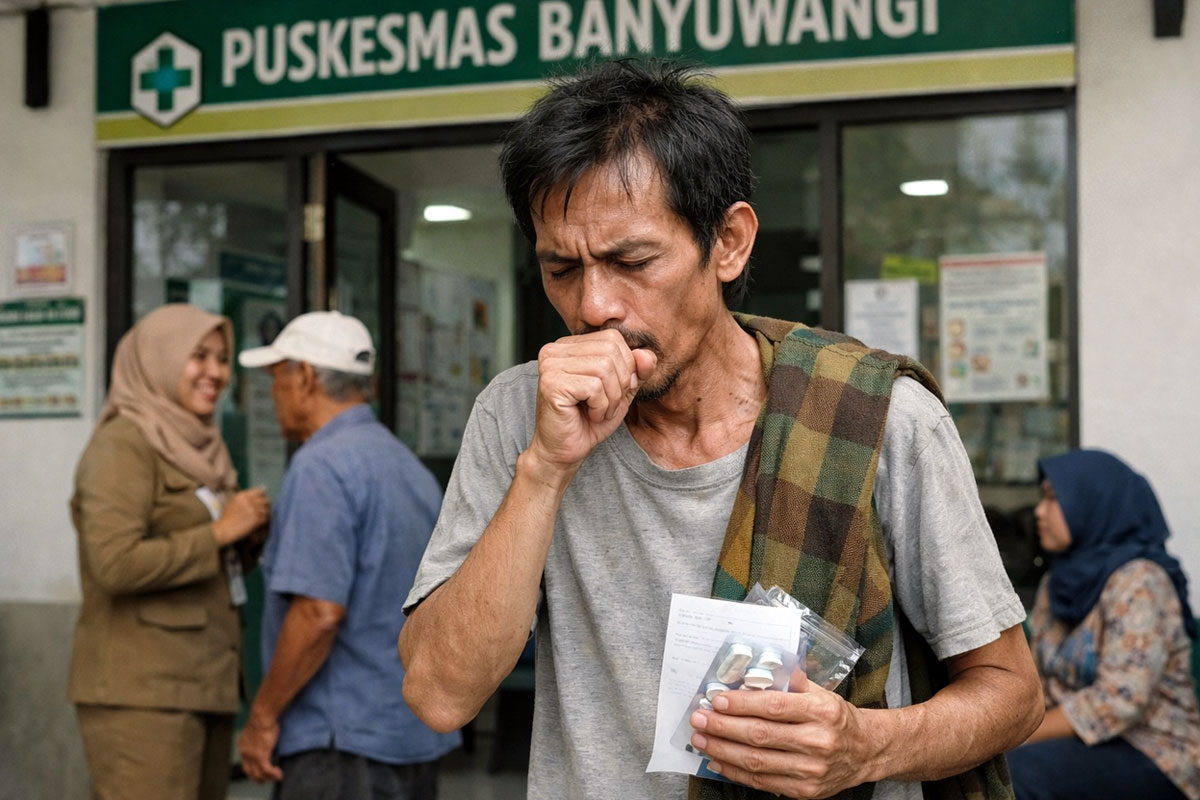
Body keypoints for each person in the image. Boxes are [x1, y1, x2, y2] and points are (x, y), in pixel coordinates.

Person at [398, 58, 1042, 800]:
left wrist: (865, 745)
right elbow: (438, 697)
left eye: (631, 259)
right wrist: (544, 469)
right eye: (561, 270)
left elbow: (1012, 692)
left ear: (729, 243)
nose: (595, 304)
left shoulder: (880, 421)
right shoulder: (517, 414)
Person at [236, 310, 460, 799]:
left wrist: (263, 717)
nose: (271, 395)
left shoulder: (319, 466)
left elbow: (318, 613)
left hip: (340, 745)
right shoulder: (408, 468)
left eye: (277, 379)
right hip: (409, 735)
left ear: (306, 377)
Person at [68, 303, 271, 800]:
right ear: (158, 358)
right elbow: (114, 564)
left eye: (222, 359)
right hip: (144, 693)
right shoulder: (124, 443)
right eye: (198, 356)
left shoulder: (201, 447)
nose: (216, 373)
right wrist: (221, 533)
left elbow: (202, 553)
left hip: (201, 683)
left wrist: (245, 541)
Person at [1007, 449, 1200, 800]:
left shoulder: (1141, 580)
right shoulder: (1058, 581)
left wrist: (1018, 735)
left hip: (1151, 748)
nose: (1039, 510)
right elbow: (1037, 678)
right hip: (1071, 741)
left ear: (1092, 502)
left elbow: (1119, 701)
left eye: (1052, 498)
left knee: (1017, 774)